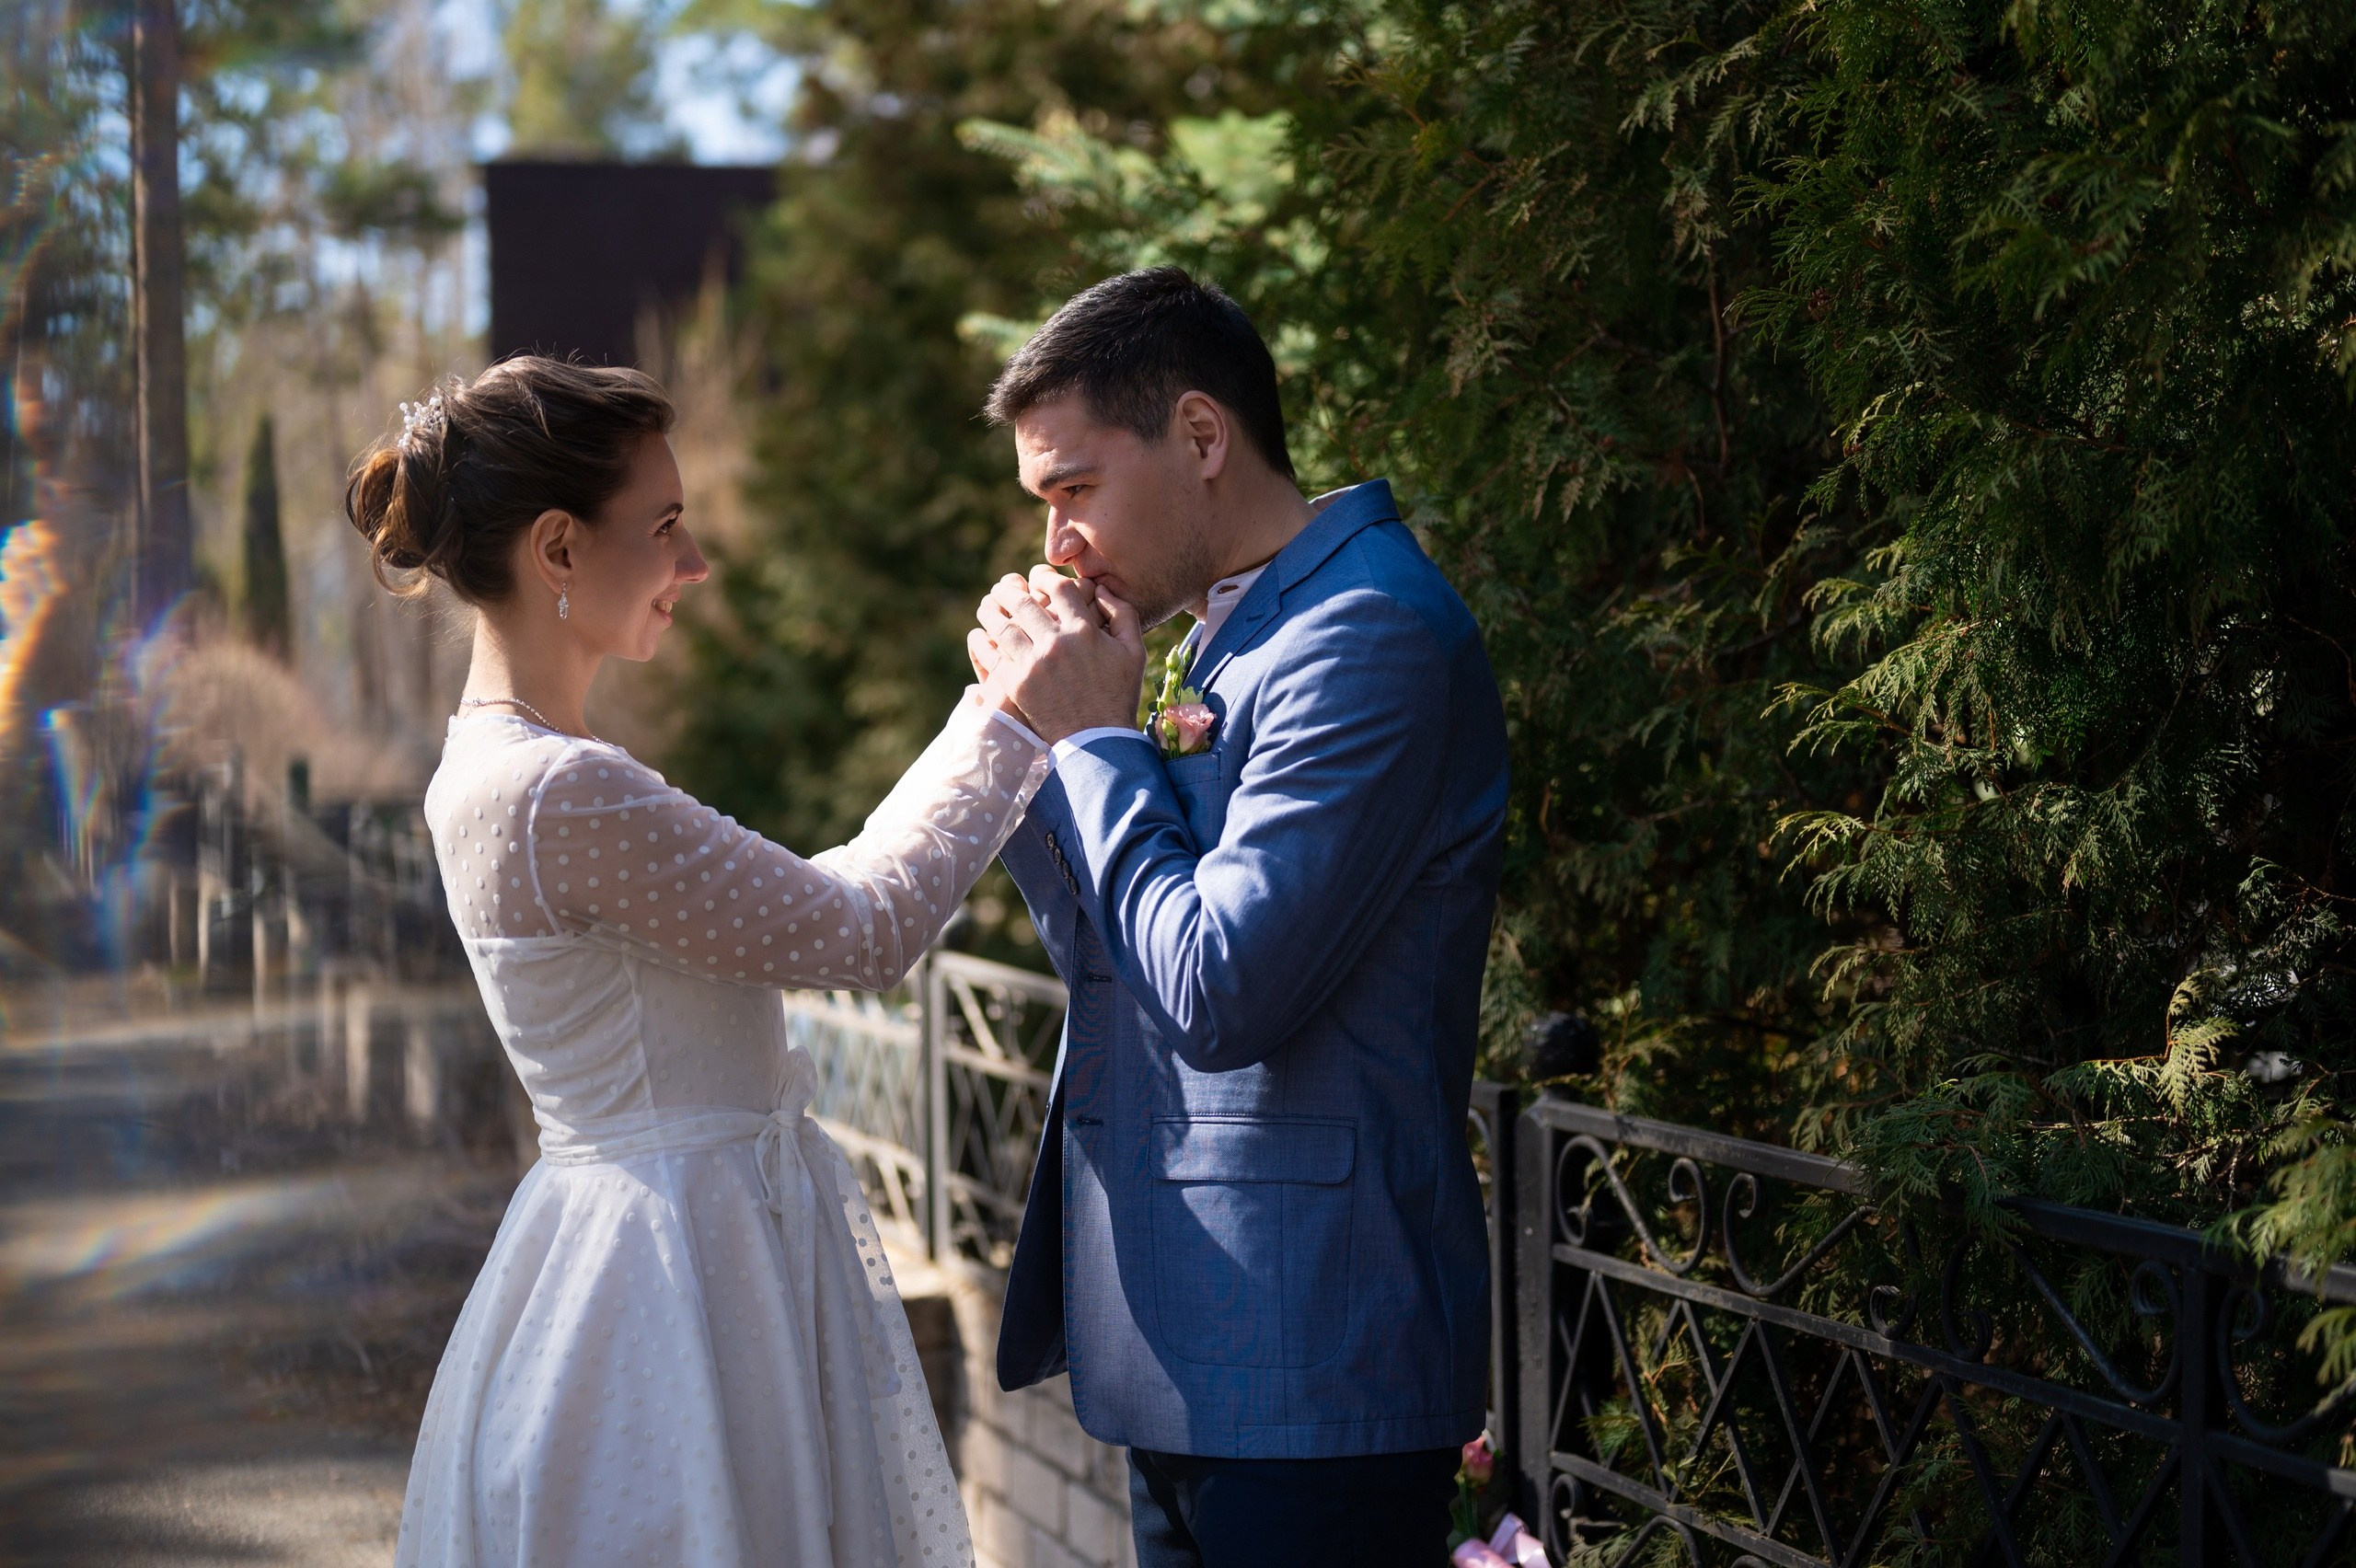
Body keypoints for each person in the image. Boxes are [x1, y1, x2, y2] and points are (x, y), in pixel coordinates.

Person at [346, 356, 1046, 1567]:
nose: (696, 564)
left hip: (645, 1253)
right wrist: (1018, 718)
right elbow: (856, 929)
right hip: (681, 1290)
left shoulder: (490, 768)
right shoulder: (559, 788)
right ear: (556, 551)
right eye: (664, 527)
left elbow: (810, 901)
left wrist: (993, 715)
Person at [968, 268, 1510, 1568]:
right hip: (1194, 1344)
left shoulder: (1365, 629)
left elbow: (1218, 989)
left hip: (1316, 1356)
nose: (1056, 544)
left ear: (1202, 438)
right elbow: (1123, 966)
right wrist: (1042, 735)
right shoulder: (1230, 636)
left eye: (1073, 490)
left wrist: (1098, 741)